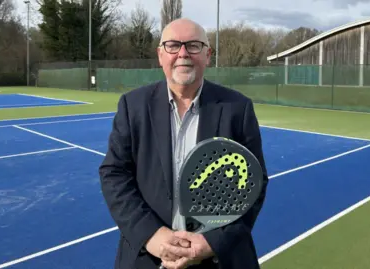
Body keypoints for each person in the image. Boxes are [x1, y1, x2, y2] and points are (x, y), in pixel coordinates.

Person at [99, 18, 269, 269]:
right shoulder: (132, 106)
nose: (182, 53)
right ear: (160, 55)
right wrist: (152, 236)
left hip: (218, 259)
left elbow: (254, 183)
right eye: (172, 45)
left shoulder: (237, 108)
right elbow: (114, 174)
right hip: (148, 259)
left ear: (208, 55)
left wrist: (212, 242)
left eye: (193, 45)